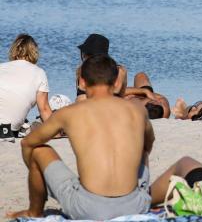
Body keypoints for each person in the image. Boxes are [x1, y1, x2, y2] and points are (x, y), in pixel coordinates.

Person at [6, 55, 154, 220]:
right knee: (143, 150)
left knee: (38, 150)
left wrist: (36, 173)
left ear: (81, 82)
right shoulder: (137, 110)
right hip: (134, 205)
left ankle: (34, 211)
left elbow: (27, 142)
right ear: (117, 83)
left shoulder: (70, 113)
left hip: (88, 208)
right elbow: (149, 145)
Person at [0, 35, 53, 131]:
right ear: (34, 52)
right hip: (6, 130)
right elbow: (44, 109)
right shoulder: (39, 73)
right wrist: (56, 132)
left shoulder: (1, 67)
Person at [75, 33, 127, 99]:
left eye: (85, 54)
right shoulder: (119, 71)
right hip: (111, 107)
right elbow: (121, 96)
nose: (83, 56)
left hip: (85, 107)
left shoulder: (81, 70)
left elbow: (79, 96)